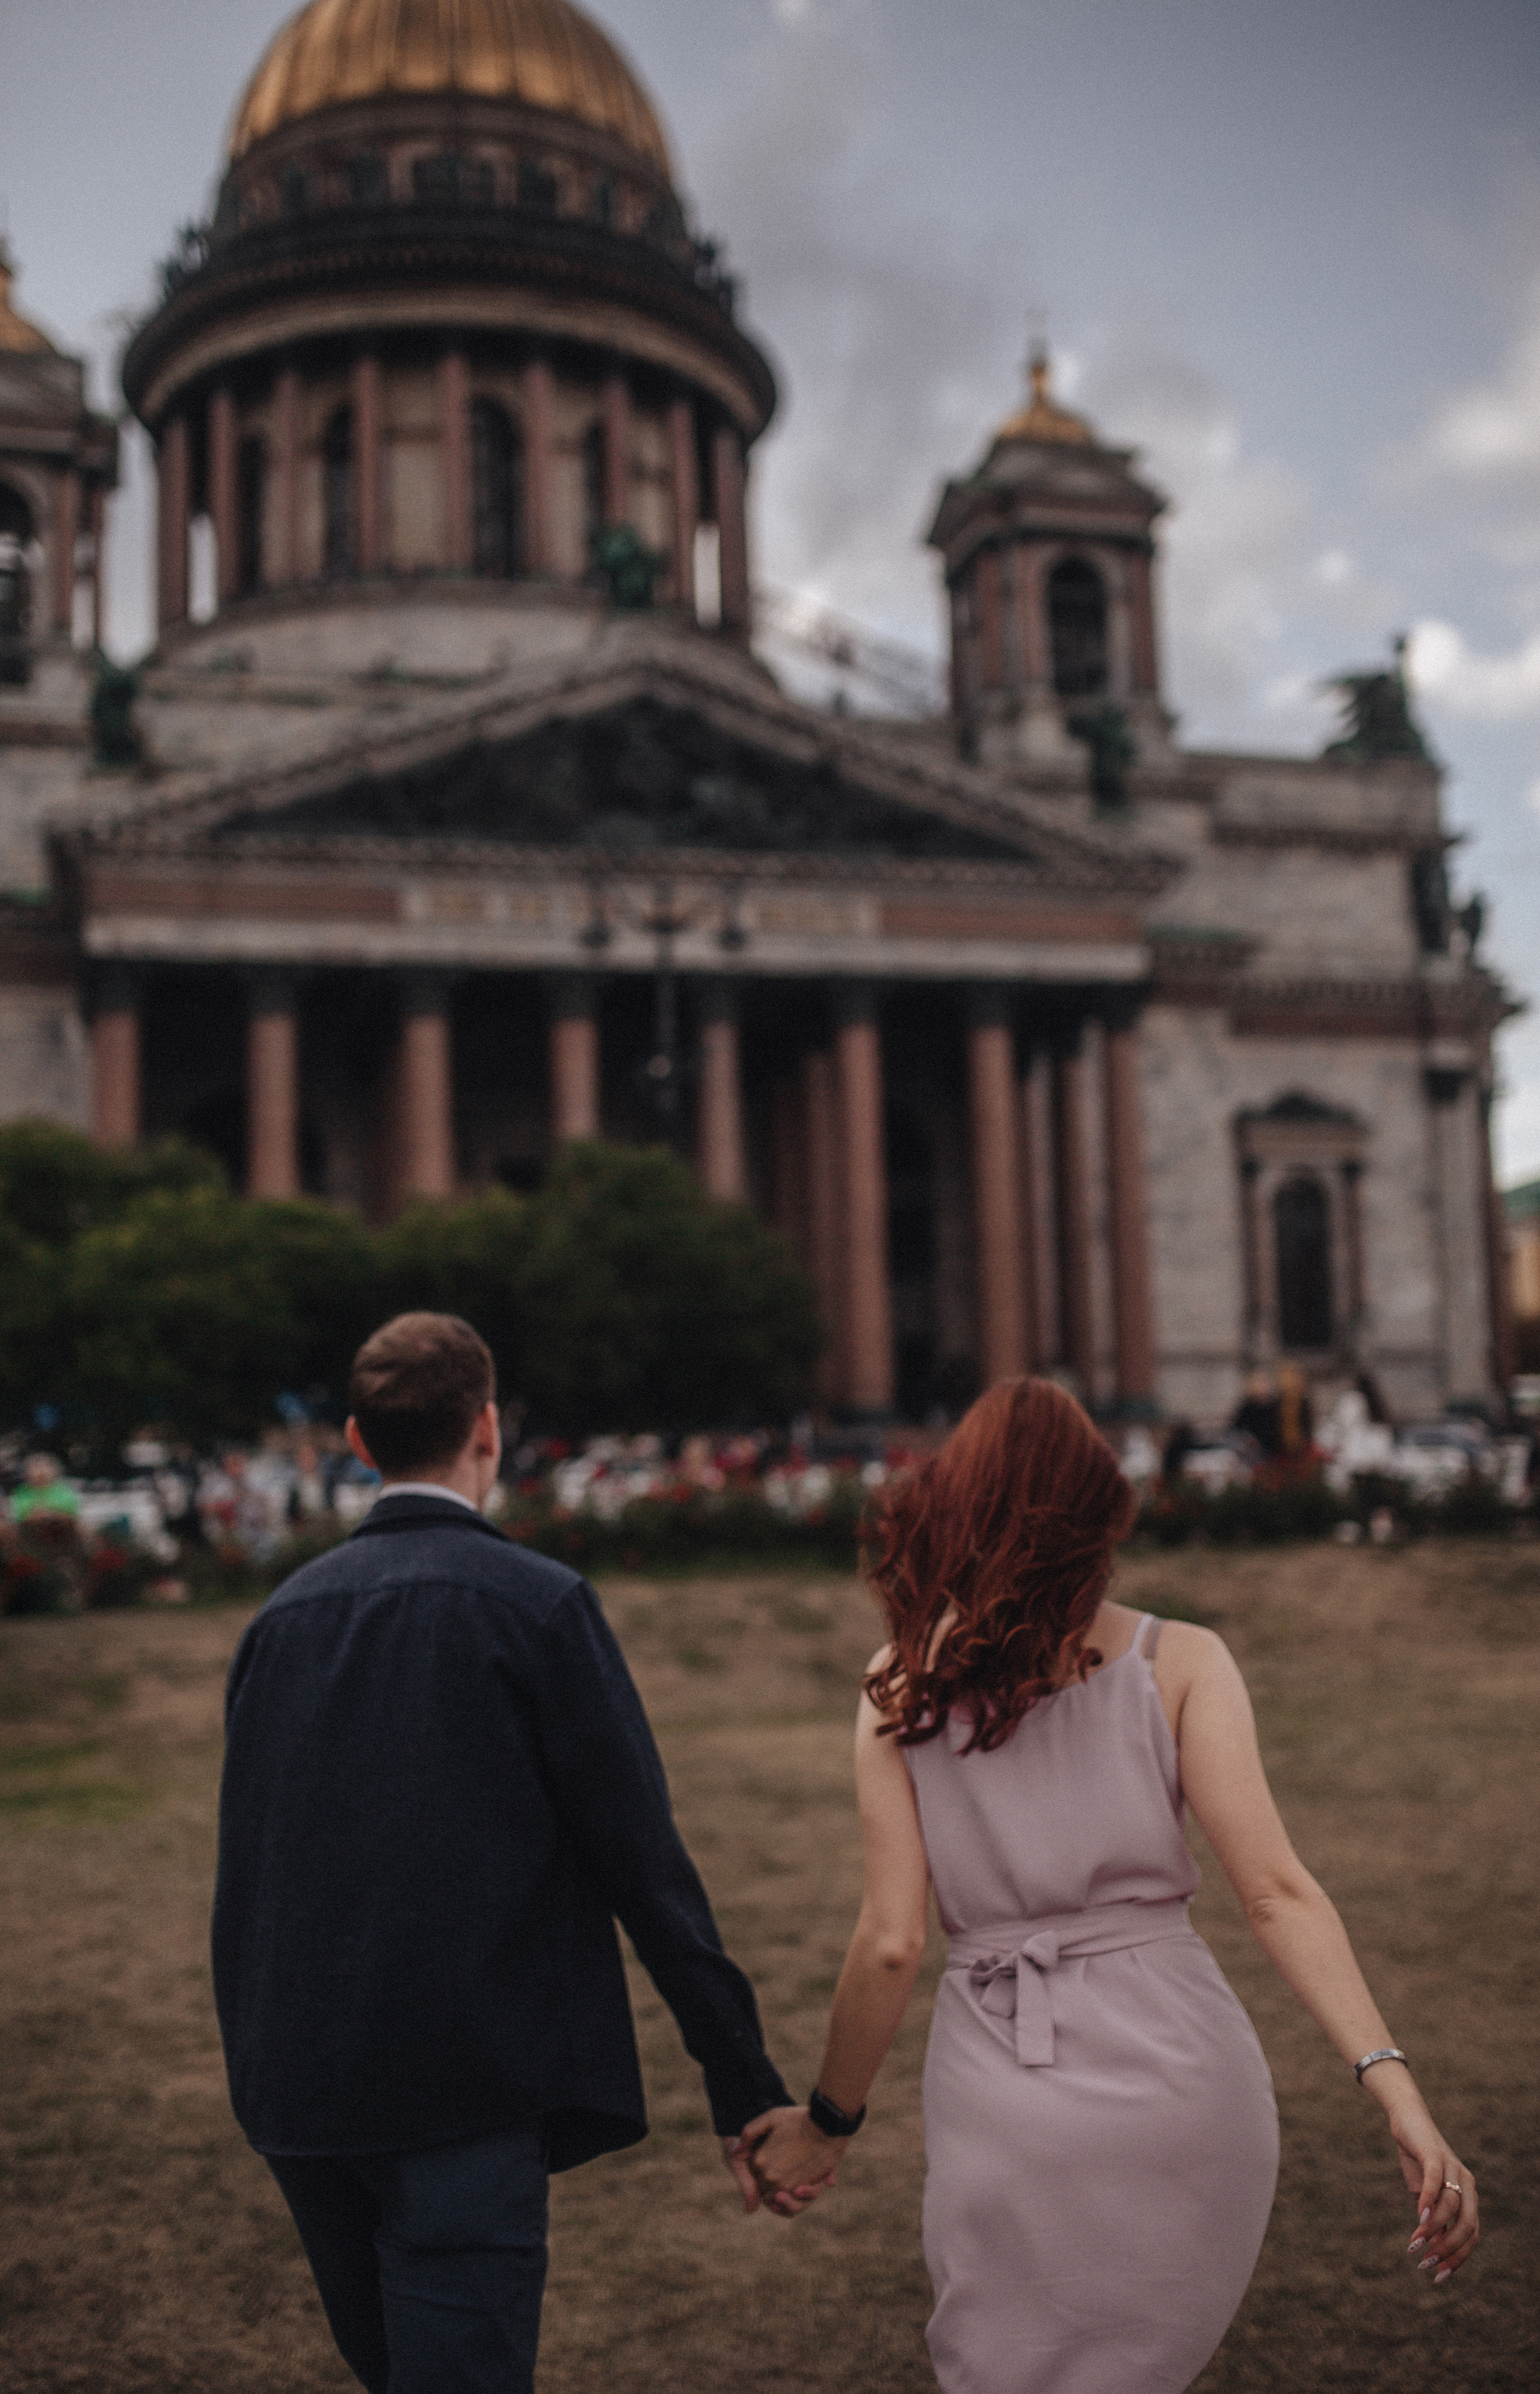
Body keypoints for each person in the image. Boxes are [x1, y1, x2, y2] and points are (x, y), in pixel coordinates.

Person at [742, 1378, 1477, 2393]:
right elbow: (1277, 1892)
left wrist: (827, 2122)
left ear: (956, 1503)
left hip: (1003, 2084)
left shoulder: (901, 1686)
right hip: (1185, 2080)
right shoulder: (1183, 1660)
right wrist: (1395, 2087)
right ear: (1101, 1512)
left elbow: (891, 1941)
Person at [212, 1312, 793, 2394]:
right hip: (463, 2082)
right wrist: (741, 2076)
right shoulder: (538, 1604)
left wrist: (258, 2067)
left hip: (301, 2090)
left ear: (357, 1438)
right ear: (489, 1427)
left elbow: (249, 1874)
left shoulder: (278, 1619)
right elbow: (643, 1862)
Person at [10, 1452, 82, 1525]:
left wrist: (51, 1514)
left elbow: (70, 1511)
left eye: (45, 1467)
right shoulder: (22, 1492)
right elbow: (21, 1513)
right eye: (36, 1467)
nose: (40, 1471)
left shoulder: (63, 1489)